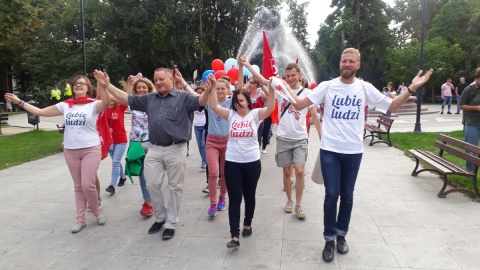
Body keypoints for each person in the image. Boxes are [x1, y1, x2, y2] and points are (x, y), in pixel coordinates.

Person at [284, 48, 432, 262]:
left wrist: (411, 88)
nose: (347, 64)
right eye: (344, 60)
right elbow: (299, 105)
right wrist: (280, 87)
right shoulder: (327, 86)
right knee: (332, 194)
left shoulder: (364, 88)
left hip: (353, 152)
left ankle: (341, 235)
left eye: (351, 61)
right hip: (330, 151)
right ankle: (328, 238)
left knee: (348, 195)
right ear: (340, 63)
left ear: (358, 65)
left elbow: (392, 105)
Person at [94, 67, 209, 240]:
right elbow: (126, 98)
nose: (158, 82)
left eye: (162, 79)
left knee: (175, 187)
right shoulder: (149, 99)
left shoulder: (184, 97)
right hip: (154, 148)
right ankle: (160, 217)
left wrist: (209, 90)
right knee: (152, 184)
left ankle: (170, 222)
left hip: (176, 148)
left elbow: (201, 101)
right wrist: (107, 85)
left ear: (171, 79)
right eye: (156, 80)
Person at [5, 74, 110, 233]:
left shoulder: (93, 104)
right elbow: (39, 111)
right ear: (73, 88)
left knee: (87, 184)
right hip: (71, 150)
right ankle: (80, 218)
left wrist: (105, 85)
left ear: (88, 88)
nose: (78, 85)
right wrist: (19, 101)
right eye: (76, 84)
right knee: (78, 186)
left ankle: (96, 209)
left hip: (90, 148)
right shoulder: (66, 105)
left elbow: (107, 103)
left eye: (82, 84)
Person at [240, 56, 322, 220]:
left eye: (293, 75)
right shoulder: (280, 91)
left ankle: (298, 205)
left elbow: (314, 115)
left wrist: (322, 136)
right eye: (287, 76)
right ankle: (289, 201)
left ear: (299, 75)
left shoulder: (307, 94)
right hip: (283, 138)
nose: (290, 79)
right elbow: (263, 80)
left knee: (299, 170)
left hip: (300, 138)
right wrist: (247, 64)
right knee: (286, 172)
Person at [205, 74, 275, 248]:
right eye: (236, 101)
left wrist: (272, 88)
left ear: (248, 101)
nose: (238, 104)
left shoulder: (256, 115)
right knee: (235, 198)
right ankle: (234, 235)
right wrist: (213, 86)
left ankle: (247, 223)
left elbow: (271, 107)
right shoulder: (230, 115)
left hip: (252, 162)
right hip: (233, 163)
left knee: (249, 195)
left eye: (241, 101)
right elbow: (213, 105)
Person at [125, 74, 156, 216]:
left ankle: (154, 198)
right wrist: (130, 84)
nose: (142, 90)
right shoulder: (134, 104)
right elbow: (126, 97)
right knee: (143, 174)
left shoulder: (155, 102)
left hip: (153, 142)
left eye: (144, 87)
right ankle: (147, 201)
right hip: (137, 143)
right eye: (139, 88)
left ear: (149, 89)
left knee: (154, 174)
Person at [204, 77, 231, 217]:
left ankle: (222, 197)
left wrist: (241, 66)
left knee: (225, 172)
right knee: (213, 173)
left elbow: (241, 90)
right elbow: (192, 94)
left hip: (227, 142)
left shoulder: (231, 102)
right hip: (212, 141)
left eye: (222, 88)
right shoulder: (210, 102)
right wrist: (181, 82)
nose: (220, 91)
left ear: (227, 89)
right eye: (217, 88)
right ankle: (213, 203)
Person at [459, 68, 480, 172]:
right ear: (477, 77)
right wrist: (476, 108)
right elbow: (461, 106)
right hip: (472, 123)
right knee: (471, 150)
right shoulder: (469, 89)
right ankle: (470, 173)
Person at [193, 86, 207, 169]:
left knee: (203, 144)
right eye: (198, 92)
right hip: (196, 126)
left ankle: (205, 160)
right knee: (199, 145)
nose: (199, 94)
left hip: (204, 126)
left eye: (201, 92)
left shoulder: (205, 102)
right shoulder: (194, 102)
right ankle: (203, 160)